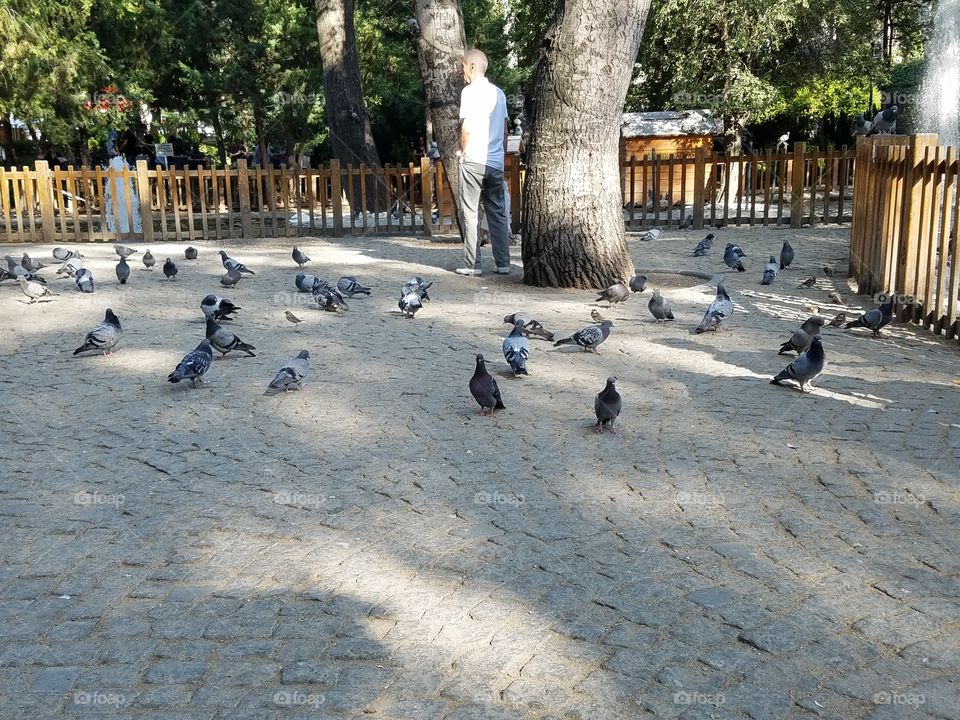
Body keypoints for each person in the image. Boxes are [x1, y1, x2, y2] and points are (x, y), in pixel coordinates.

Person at [454, 49, 510, 276]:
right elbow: (505, 131)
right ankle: (503, 264)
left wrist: (462, 151)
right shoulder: (500, 93)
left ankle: (473, 265)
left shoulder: (469, 93)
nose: (462, 71)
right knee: (497, 212)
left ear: (473, 67)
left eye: (464, 66)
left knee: (470, 212)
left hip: (473, 160)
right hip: (495, 161)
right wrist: (501, 156)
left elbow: (466, 129)